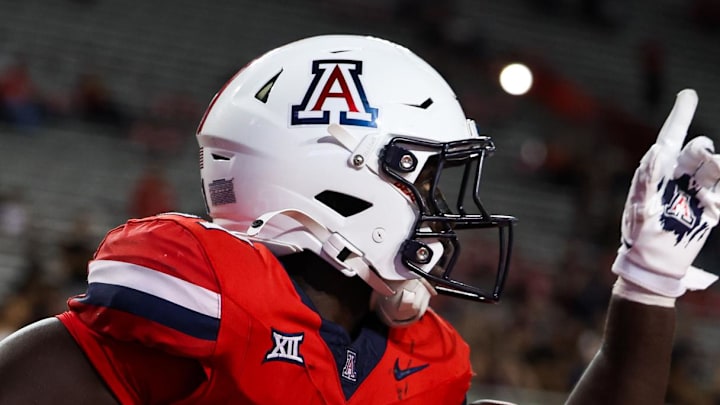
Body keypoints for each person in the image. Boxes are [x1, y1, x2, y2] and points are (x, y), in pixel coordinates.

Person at [0, 34, 718, 404]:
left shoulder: (422, 358)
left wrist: (648, 284)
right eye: (427, 176)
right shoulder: (216, 297)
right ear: (341, 174)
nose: (444, 207)